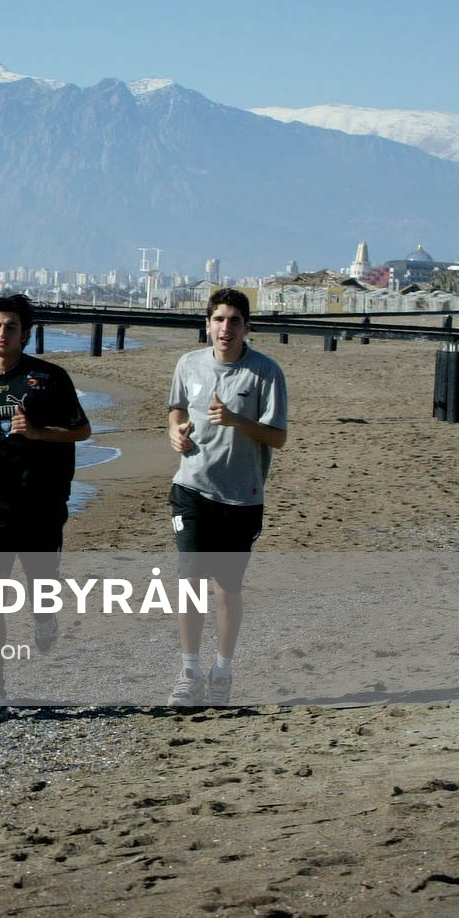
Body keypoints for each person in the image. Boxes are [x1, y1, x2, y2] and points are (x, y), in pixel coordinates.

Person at [0, 294, 90, 722]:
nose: (3, 334)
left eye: (12, 327)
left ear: (25, 333)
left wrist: (40, 433)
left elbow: (81, 430)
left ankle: (45, 615)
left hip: (43, 497)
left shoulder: (50, 378)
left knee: (40, 585)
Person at [165, 287, 288, 708]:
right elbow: (176, 409)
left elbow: (278, 437)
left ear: (247, 327)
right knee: (190, 583)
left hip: (242, 496)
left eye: (235, 320)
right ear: (207, 324)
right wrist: (175, 431)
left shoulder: (265, 372)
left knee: (225, 589)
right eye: (219, 319)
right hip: (191, 487)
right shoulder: (188, 364)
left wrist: (237, 420)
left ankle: (223, 669)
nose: (226, 328)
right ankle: (189, 672)